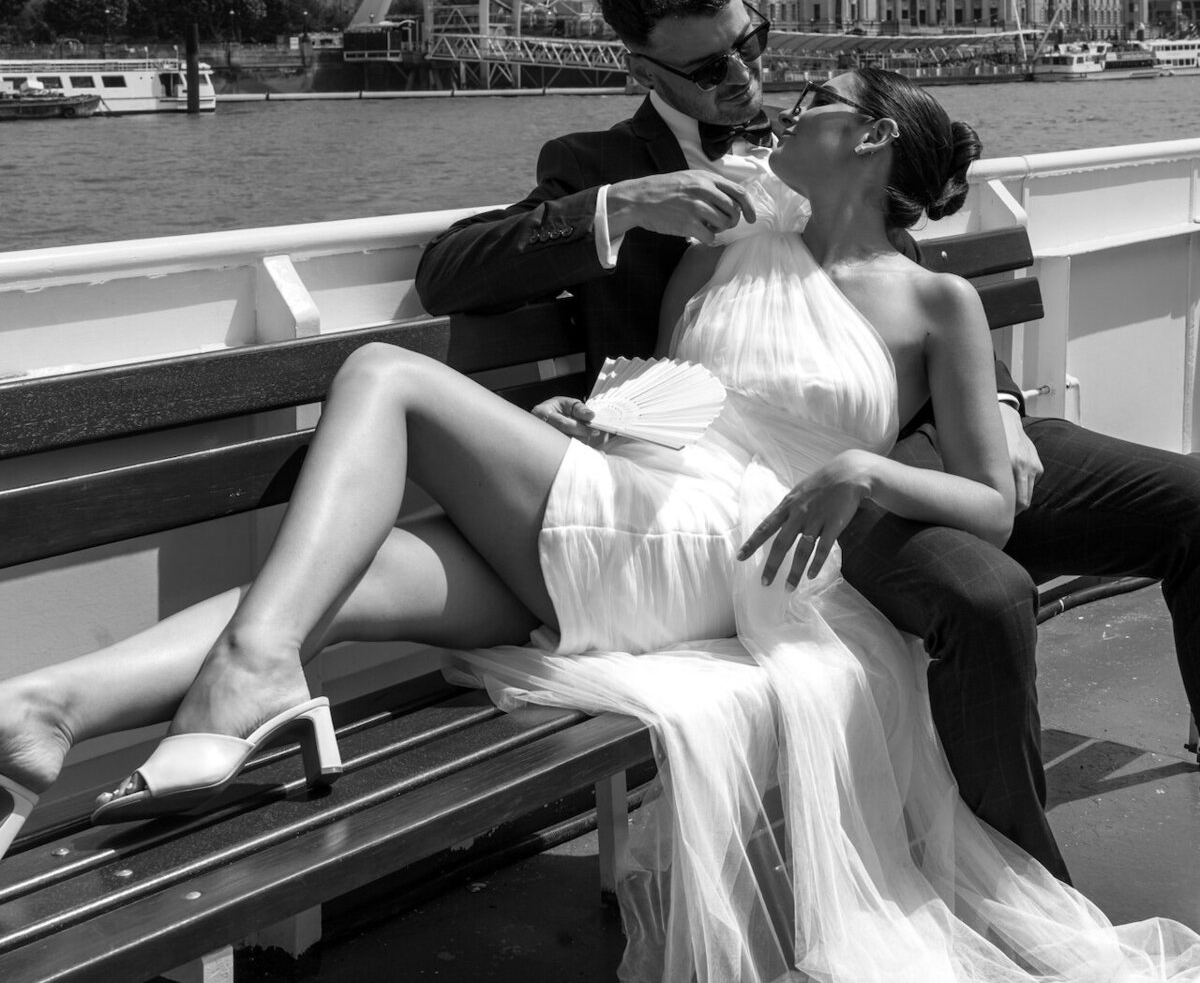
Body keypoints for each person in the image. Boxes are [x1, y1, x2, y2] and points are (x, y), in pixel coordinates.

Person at [3, 64, 1198, 982]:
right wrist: (596, 416)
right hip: (645, 508)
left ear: (873, 138)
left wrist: (862, 470)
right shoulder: (718, 252)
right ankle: (49, 709)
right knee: (343, 584)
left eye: (819, 101)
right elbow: (671, 398)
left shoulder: (933, 299)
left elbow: (993, 502)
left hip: (734, 550)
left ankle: (251, 683)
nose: (783, 107)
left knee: (382, 375)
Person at [416, 0, 1200, 883]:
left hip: (910, 425)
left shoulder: (809, 145)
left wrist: (995, 402)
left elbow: (894, 284)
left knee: (1191, 504)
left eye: (756, 41)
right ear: (642, 66)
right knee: (981, 598)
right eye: (712, 68)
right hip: (768, 478)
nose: (750, 75)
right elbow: (451, 274)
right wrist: (623, 208)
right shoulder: (599, 164)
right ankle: (1013, 875)